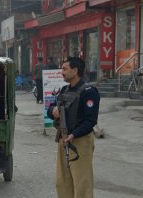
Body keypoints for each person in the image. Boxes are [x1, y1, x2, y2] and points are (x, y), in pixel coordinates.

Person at [47, 56, 100, 198]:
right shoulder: (64, 90)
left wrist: (74, 134)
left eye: (64, 69)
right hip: (63, 139)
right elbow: (51, 108)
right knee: (63, 182)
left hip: (79, 141)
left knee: (82, 183)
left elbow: (90, 121)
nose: (61, 72)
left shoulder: (89, 92)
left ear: (75, 70)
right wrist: (53, 111)